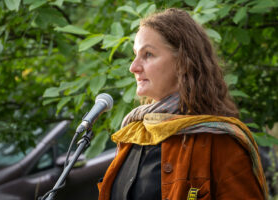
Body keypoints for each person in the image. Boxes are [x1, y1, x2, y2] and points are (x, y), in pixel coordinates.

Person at [98, 8, 268, 200]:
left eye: (148, 55)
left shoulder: (220, 142)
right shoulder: (134, 133)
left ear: (183, 62)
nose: (133, 67)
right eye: (135, 54)